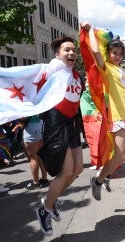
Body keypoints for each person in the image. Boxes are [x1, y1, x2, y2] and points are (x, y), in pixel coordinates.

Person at [80, 22, 125, 201]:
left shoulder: (120, 69)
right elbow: (96, 52)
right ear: (109, 53)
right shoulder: (106, 68)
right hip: (117, 116)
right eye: (114, 53)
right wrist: (89, 31)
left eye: (120, 54)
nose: (118, 56)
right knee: (119, 154)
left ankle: (106, 176)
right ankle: (97, 181)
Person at [35, 36, 85, 236]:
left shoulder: (77, 75)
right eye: (66, 50)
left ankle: (50, 200)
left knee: (78, 168)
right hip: (56, 124)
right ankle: (44, 209)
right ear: (57, 55)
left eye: (74, 50)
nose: (72, 53)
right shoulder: (53, 71)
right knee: (65, 172)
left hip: (72, 125)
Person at [19, 115, 49, 189]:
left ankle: (35, 182)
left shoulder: (21, 103)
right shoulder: (32, 103)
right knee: (40, 155)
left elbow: (22, 118)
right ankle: (44, 178)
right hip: (40, 125)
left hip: (31, 128)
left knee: (33, 158)